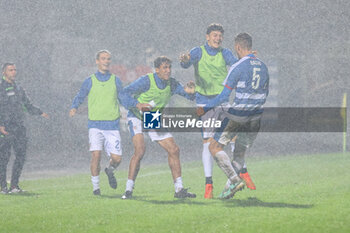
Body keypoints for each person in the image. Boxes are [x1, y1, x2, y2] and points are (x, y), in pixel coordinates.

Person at [180, 23, 255, 198]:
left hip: (222, 100)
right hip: (205, 103)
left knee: (235, 136)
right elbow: (186, 62)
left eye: (220, 36)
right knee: (207, 142)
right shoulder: (199, 51)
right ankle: (209, 184)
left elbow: (238, 65)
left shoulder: (225, 53)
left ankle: (240, 172)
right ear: (207, 37)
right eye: (214, 35)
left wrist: (249, 59)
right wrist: (184, 60)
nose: (218, 38)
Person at [197, 32, 269, 199]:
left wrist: (205, 108)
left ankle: (234, 180)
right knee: (239, 153)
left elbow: (223, 97)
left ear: (237, 47)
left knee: (213, 146)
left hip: (239, 115)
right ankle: (229, 188)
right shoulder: (263, 66)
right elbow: (265, 93)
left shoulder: (238, 66)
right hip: (256, 118)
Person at [121, 56, 196, 199]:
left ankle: (179, 189)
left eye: (169, 67)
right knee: (140, 150)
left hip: (152, 117)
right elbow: (123, 93)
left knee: (174, 150)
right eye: (164, 68)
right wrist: (137, 104)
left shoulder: (172, 84)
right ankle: (128, 190)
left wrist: (193, 92)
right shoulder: (146, 81)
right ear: (157, 70)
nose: (168, 71)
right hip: (137, 115)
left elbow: (188, 95)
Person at [69, 50, 133, 196]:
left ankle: (110, 170)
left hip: (112, 126)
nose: (106, 61)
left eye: (108, 59)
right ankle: (96, 188)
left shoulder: (116, 80)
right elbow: (80, 95)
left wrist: (134, 106)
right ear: (97, 61)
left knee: (117, 158)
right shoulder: (89, 80)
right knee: (96, 155)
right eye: (103, 59)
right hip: (95, 125)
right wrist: (74, 107)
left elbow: (123, 98)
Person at [0, 63, 49, 194]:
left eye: (15, 69)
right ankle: (2, 186)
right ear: (4, 72)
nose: (14, 72)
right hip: (5, 128)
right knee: (4, 157)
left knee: (20, 156)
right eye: (10, 70)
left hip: (19, 127)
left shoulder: (18, 88)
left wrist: (40, 112)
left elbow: (27, 105)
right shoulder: (1, 88)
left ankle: (14, 185)